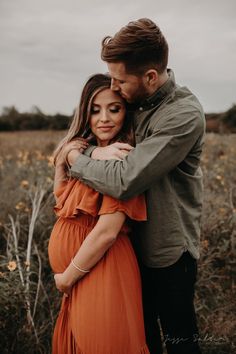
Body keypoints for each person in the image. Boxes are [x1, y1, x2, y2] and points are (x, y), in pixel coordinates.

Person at [63, 18, 205, 354]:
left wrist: (75, 160)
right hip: (126, 250)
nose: (114, 85)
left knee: (180, 340)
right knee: (142, 340)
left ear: (150, 77)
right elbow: (93, 135)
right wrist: (87, 150)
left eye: (120, 80)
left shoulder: (182, 115)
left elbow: (126, 179)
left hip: (167, 251)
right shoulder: (133, 101)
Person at [48, 73, 150, 354]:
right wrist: (65, 160)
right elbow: (62, 199)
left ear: (125, 112)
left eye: (114, 109)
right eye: (95, 110)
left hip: (104, 270)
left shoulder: (124, 158)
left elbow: (107, 232)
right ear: (85, 114)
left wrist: (67, 277)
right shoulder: (89, 152)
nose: (104, 118)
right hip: (82, 272)